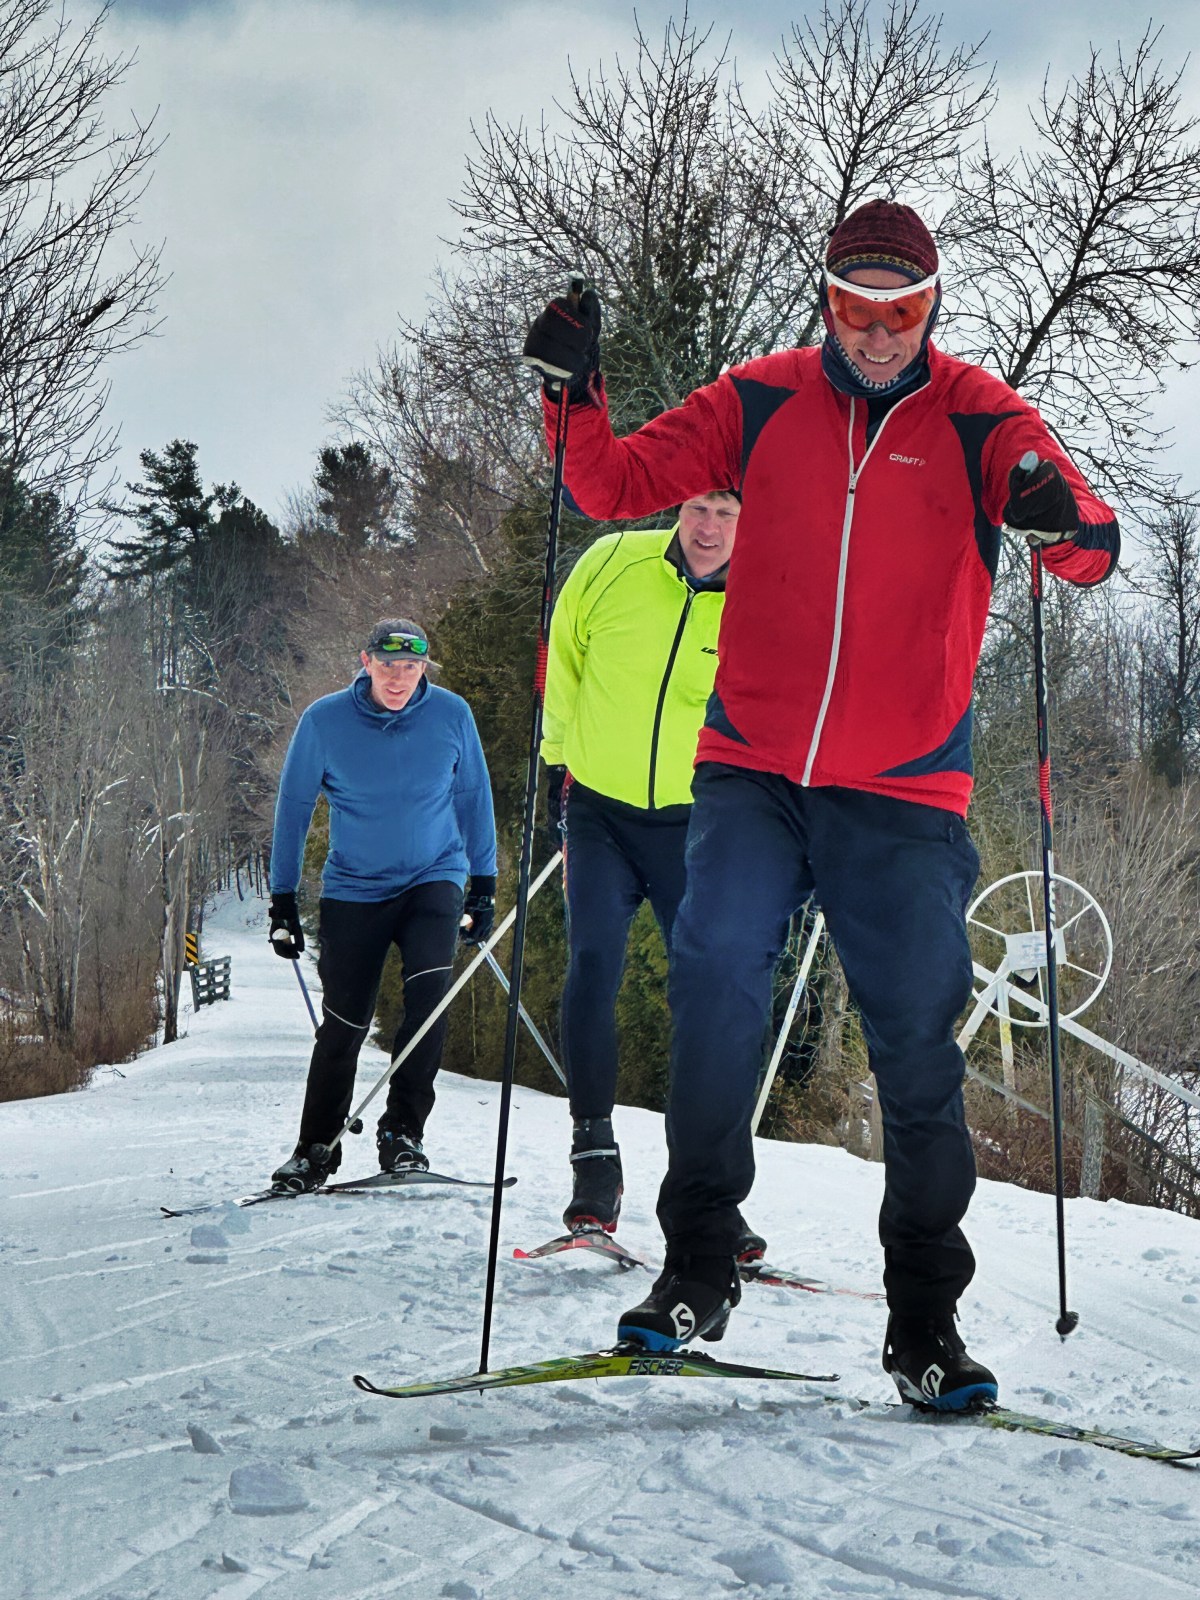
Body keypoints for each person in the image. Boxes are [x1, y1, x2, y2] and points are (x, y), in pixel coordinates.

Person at [522, 200, 1119, 1409]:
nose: (880, 333)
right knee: (715, 980)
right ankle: (696, 1265)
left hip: (902, 789)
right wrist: (570, 390)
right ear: (827, 300)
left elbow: (1092, 544)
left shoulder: (978, 419)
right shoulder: (763, 399)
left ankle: (925, 1321)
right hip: (752, 765)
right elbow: (611, 480)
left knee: (914, 1044)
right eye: (856, 307)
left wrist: (1060, 522)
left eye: (901, 311)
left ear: (931, 307)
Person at [542, 492, 763, 1260]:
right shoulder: (611, 563)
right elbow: (564, 659)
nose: (708, 529)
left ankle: (711, 1194)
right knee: (593, 963)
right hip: (598, 810)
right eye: (699, 509)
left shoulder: (764, 598)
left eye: (728, 515)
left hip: (694, 825)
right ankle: (594, 1164)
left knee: (712, 996)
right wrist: (556, 766)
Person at [266, 619, 497, 1190]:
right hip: (354, 889)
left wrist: (484, 884)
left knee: (427, 1008)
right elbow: (294, 807)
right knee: (344, 1023)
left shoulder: (451, 715)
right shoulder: (323, 721)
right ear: (365, 662)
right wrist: (282, 899)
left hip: (434, 879)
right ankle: (315, 1148)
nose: (399, 679)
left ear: (425, 668)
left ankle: (402, 1135)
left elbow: (473, 797)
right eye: (389, 667)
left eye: (412, 667)